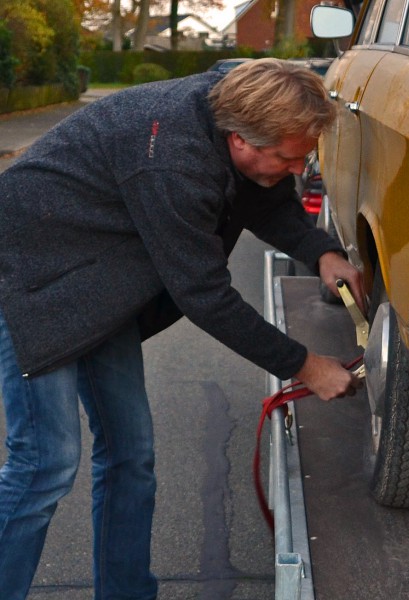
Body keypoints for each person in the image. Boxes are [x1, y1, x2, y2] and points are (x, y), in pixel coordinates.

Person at [0, 58, 366, 599]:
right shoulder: (171, 160)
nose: (296, 169)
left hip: (101, 281)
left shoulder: (232, 110)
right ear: (240, 140)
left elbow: (261, 194)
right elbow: (206, 297)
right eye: (290, 158)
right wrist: (307, 366)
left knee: (131, 457)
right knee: (46, 463)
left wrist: (321, 251)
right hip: (32, 276)